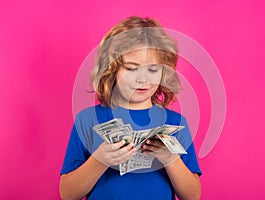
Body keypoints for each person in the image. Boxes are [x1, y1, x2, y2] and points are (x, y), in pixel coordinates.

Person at [59, 16, 202, 200]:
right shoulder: (87, 120)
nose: (143, 79)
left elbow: (193, 196)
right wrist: (100, 160)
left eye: (153, 69)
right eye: (131, 68)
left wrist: (170, 159)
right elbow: (67, 194)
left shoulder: (176, 123)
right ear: (112, 69)